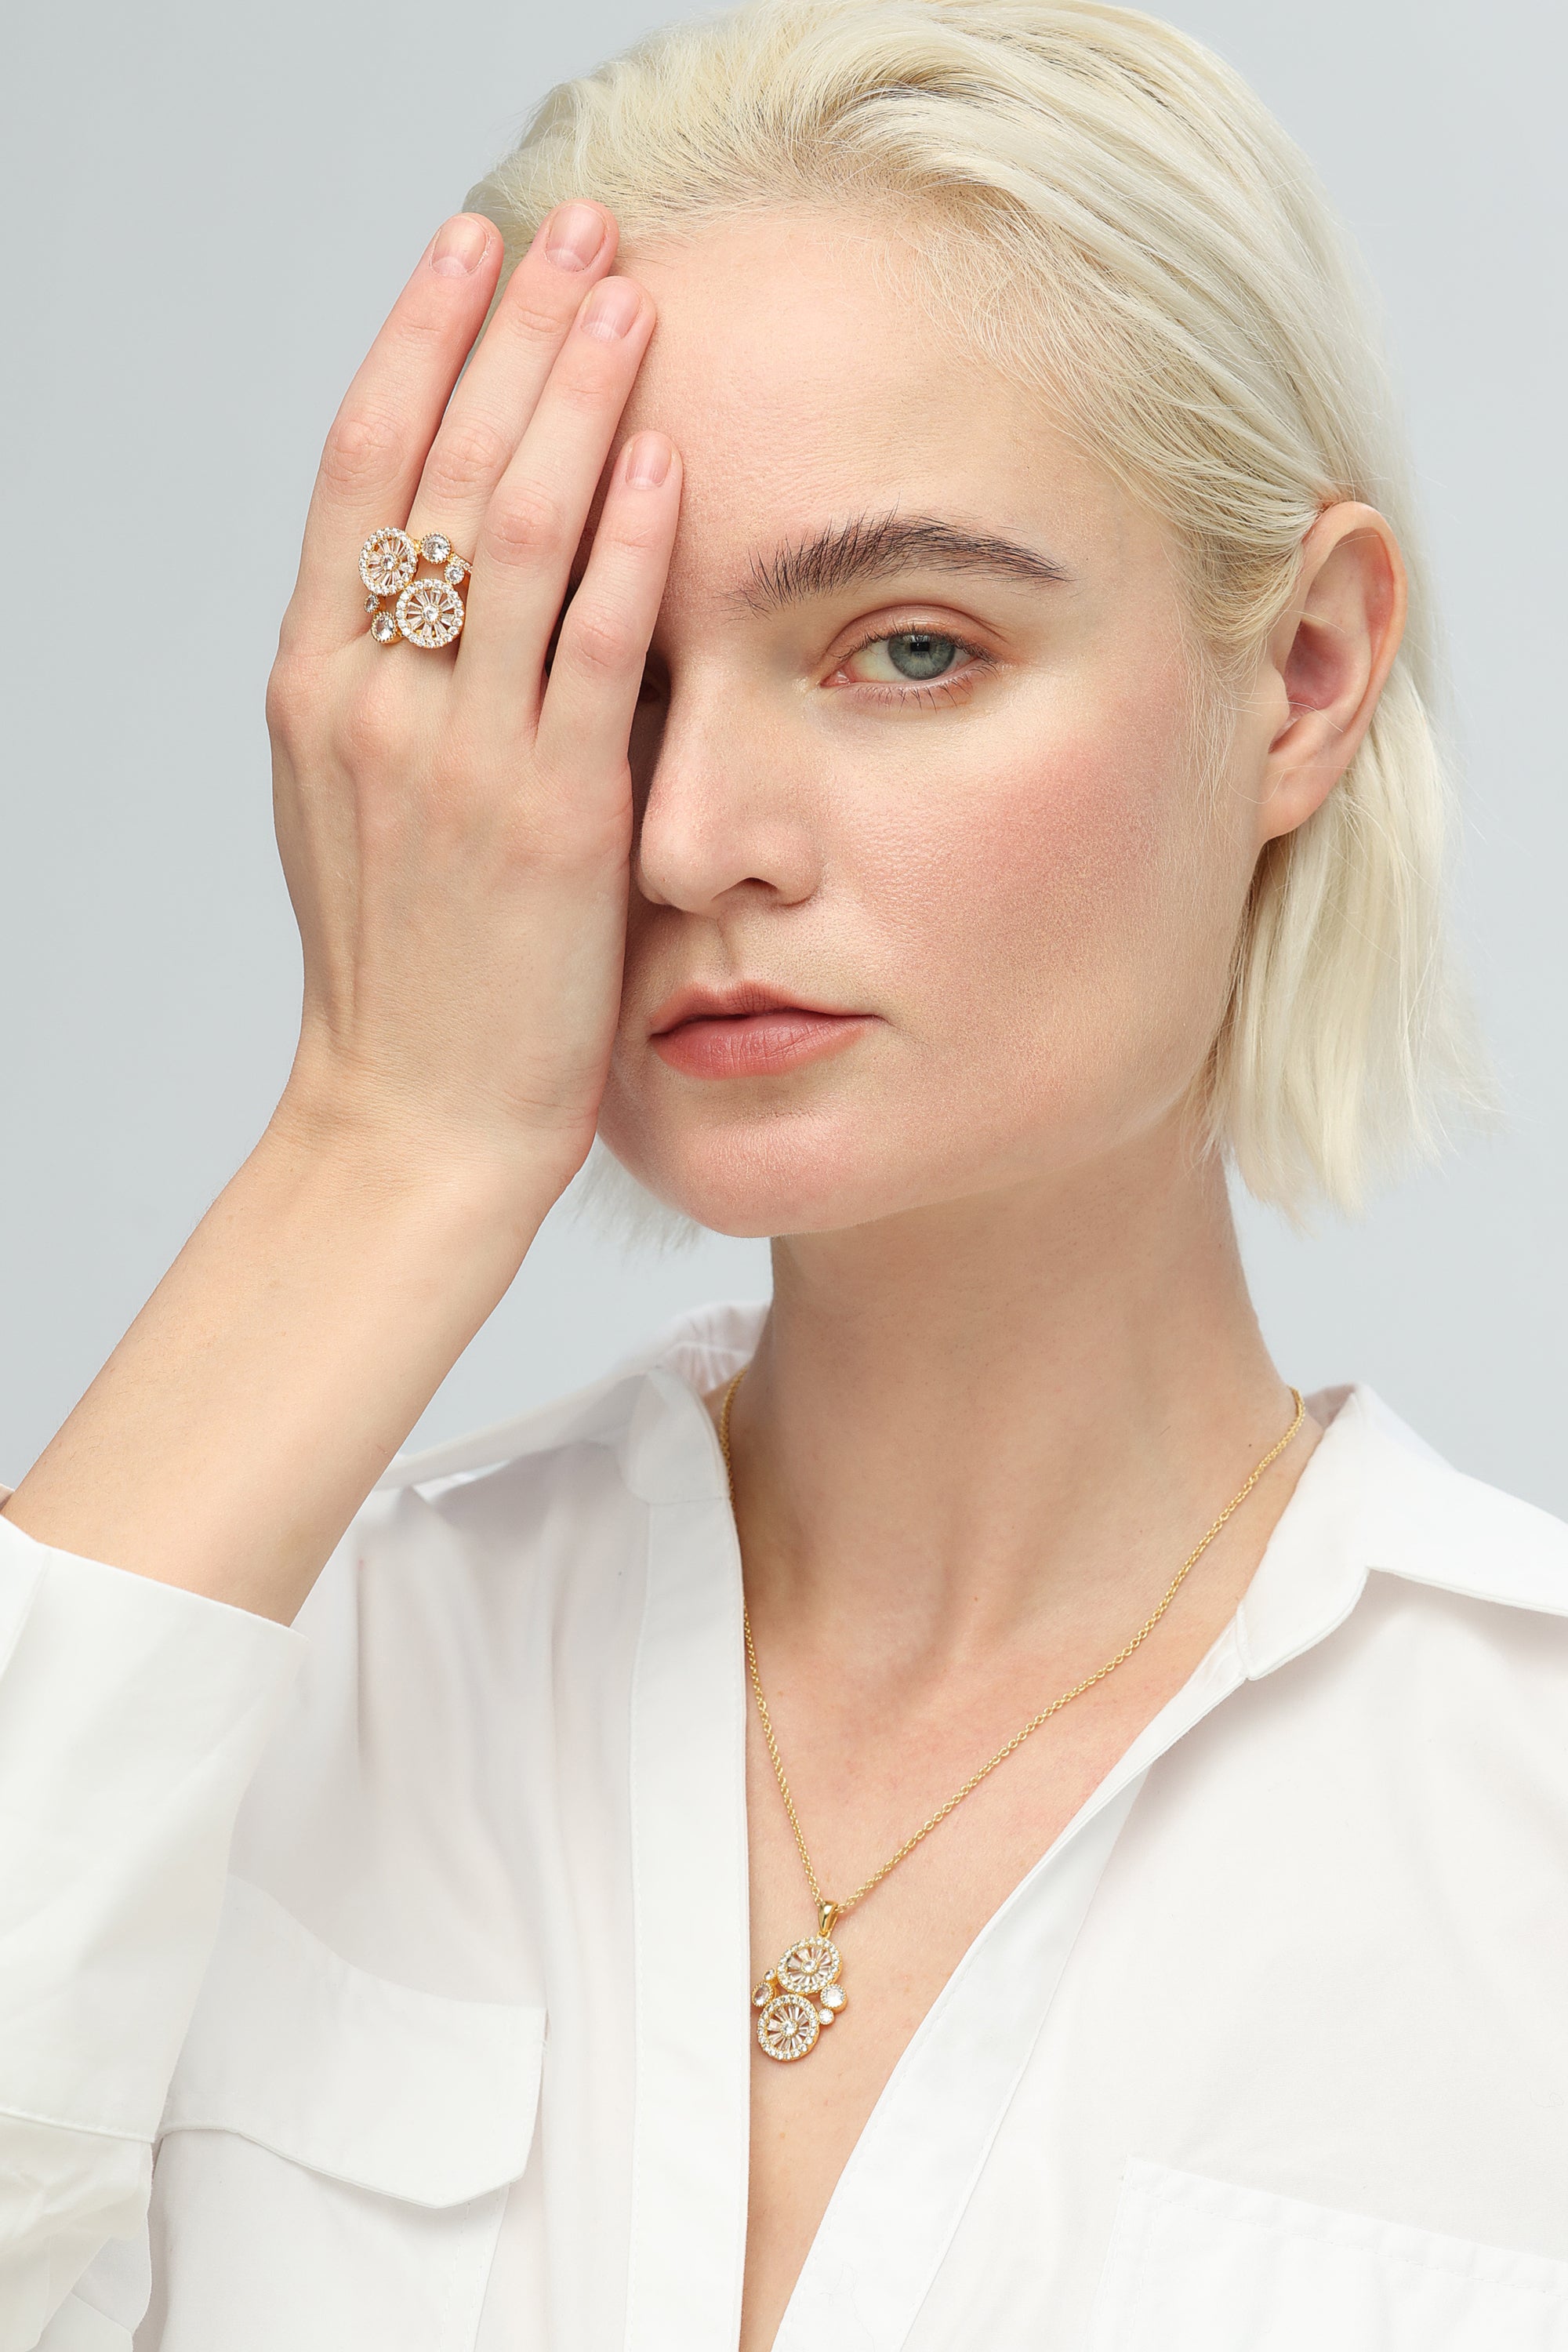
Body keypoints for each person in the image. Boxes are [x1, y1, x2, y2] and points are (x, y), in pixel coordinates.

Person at [2, 0, 1565, 2346]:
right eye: (600, 678)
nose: (694, 835)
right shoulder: (240, 1703)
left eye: (908, 649)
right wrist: (380, 1142)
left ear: (1310, 672)